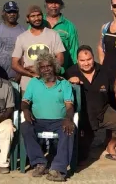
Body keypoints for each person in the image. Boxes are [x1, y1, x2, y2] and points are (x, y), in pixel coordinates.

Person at [66, 45, 116, 162]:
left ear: (93, 58)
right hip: (83, 116)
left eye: (89, 59)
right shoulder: (70, 72)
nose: (86, 63)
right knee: (80, 158)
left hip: (103, 111)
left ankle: (110, 147)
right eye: (82, 60)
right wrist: (69, 82)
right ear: (77, 60)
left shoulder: (104, 71)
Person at [20, 52, 75, 182]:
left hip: (58, 121)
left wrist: (68, 118)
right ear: (39, 69)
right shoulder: (34, 82)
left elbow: (69, 106)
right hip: (37, 120)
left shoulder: (64, 83)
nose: (46, 70)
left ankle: (58, 169)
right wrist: (25, 109)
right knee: (25, 127)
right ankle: (40, 163)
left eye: (49, 66)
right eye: (43, 67)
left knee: (69, 130)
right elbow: (25, 101)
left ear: (54, 67)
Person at [12, 5, 65, 91]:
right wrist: (31, 74)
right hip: (28, 86)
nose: (36, 18)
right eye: (33, 16)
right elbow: (14, 64)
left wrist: (42, 70)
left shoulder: (53, 34)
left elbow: (61, 58)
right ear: (27, 19)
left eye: (38, 15)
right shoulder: (21, 38)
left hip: (49, 84)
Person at [0, 1, 26, 81]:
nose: (12, 14)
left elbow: (25, 56)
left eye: (14, 12)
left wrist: (20, 74)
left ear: (18, 13)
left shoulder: (24, 32)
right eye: (9, 12)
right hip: (0, 77)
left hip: (20, 76)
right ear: (4, 13)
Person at [43, 0, 79, 72]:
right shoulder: (37, 23)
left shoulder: (69, 26)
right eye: (50, 2)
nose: (53, 6)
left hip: (62, 73)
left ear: (61, 5)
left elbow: (74, 53)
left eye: (56, 3)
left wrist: (74, 73)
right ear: (46, 4)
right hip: (39, 73)